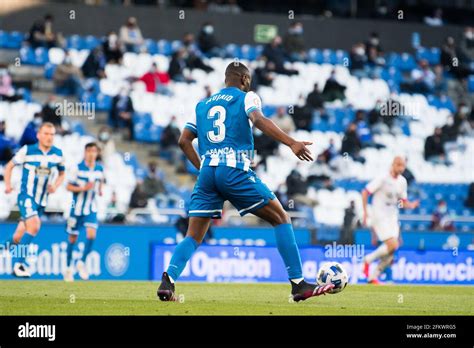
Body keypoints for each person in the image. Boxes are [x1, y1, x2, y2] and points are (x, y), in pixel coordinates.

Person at [157, 61, 334, 302]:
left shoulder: (202, 105)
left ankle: (168, 281)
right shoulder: (247, 97)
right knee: (281, 218)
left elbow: (183, 141)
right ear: (244, 79)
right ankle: (298, 284)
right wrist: (292, 142)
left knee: (193, 236)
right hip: (234, 170)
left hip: (208, 173)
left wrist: (203, 167)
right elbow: (258, 120)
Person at [2, 123, 65, 277]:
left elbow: (62, 174)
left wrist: (55, 186)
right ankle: (19, 265)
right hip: (26, 197)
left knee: (18, 236)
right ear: (38, 135)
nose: (49, 137)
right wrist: (8, 185)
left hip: (41, 201)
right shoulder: (27, 150)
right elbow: (9, 166)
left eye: (51, 134)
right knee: (35, 225)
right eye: (46, 133)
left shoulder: (57, 154)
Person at [361, 156, 419, 284]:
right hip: (379, 214)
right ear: (393, 164)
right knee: (392, 244)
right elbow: (365, 192)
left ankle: (372, 277)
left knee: (393, 248)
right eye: (398, 165)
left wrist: (410, 205)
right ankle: (368, 260)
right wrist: (366, 213)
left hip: (392, 216)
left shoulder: (402, 181)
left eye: (402, 165)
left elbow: (401, 202)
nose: (400, 168)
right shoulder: (383, 178)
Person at [63, 143, 104, 282]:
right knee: (72, 239)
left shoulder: (99, 169)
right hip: (76, 209)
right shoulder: (77, 168)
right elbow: (68, 186)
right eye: (89, 151)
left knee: (91, 234)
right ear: (85, 152)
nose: (92, 154)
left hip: (90, 208)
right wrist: (83, 188)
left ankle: (81, 262)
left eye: (94, 151)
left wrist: (100, 189)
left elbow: (100, 182)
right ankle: (68, 268)